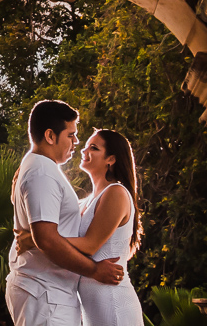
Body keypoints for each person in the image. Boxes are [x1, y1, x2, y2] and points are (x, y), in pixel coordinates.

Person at [7, 100, 124, 326]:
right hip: (46, 294)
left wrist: (33, 238)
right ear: (50, 136)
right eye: (71, 135)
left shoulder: (41, 168)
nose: (76, 142)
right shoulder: (42, 172)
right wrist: (94, 271)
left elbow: (48, 233)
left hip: (48, 293)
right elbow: (47, 240)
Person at [17, 128, 145, 326]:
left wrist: (35, 240)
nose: (84, 151)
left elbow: (89, 245)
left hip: (112, 301)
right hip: (90, 305)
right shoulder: (84, 203)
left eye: (93, 148)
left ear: (110, 159)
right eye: (86, 146)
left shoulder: (116, 193)